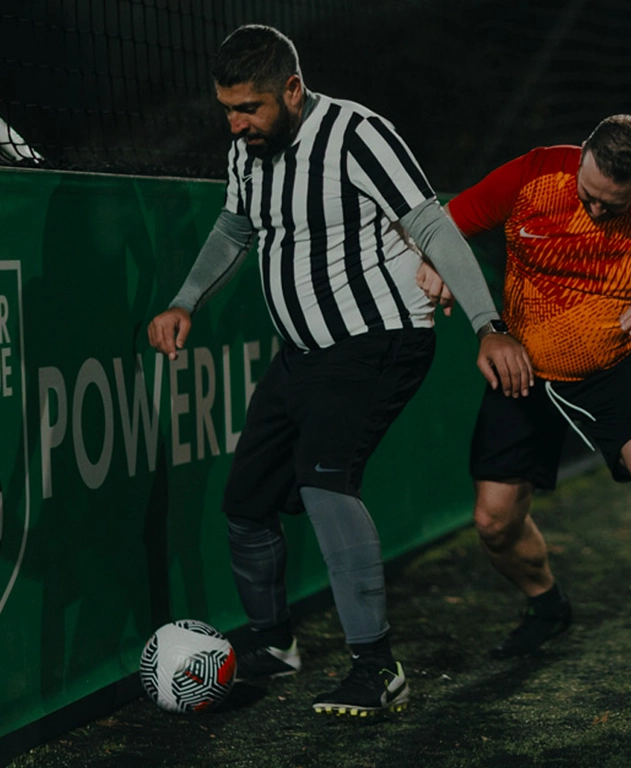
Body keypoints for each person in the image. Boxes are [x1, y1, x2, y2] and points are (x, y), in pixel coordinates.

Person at [147, 24, 523, 715]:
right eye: (226, 109)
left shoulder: (357, 134)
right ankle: (273, 642)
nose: (236, 124)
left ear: (291, 89)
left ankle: (378, 669)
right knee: (247, 500)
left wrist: (488, 326)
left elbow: (434, 226)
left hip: (378, 340)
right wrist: (184, 302)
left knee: (325, 479)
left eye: (249, 108)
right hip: (305, 355)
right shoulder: (247, 150)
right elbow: (236, 227)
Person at [434, 113, 631, 683]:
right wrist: (436, 264)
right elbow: (439, 227)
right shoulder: (534, 174)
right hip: (522, 364)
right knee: (494, 522)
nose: (597, 211)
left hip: (615, 364)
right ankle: (547, 603)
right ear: (581, 157)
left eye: (613, 205)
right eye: (590, 195)